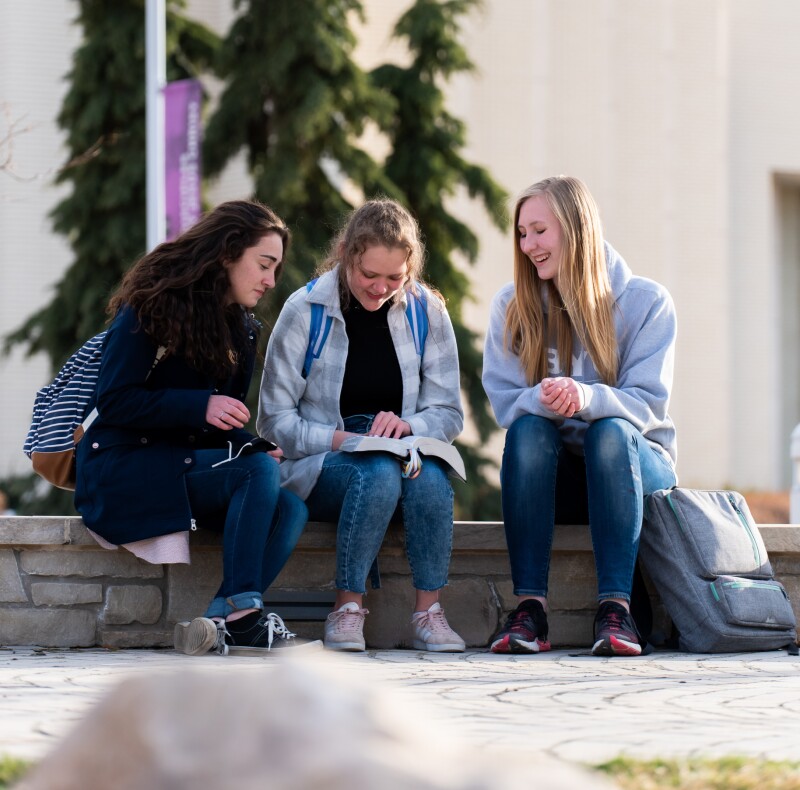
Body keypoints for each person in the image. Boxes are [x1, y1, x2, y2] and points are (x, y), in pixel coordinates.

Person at [74, 200, 318, 655]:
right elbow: (114, 401)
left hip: (181, 465)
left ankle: (215, 621)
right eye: (264, 265)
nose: (270, 280)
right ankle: (245, 615)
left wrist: (252, 443)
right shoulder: (152, 305)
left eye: (275, 270)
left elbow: (216, 425)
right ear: (228, 253)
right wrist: (199, 407)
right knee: (254, 473)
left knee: (290, 508)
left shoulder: (242, 328)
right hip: (126, 468)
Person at [258, 198, 466, 652]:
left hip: (403, 451)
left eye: (395, 278)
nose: (380, 288)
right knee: (373, 471)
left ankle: (428, 612)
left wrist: (409, 425)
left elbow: (449, 413)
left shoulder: (426, 311)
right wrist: (342, 439)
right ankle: (346, 608)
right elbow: (274, 422)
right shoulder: (305, 310)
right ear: (347, 254)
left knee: (431, 480)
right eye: (369, 275)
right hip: (324, 461)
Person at [482, 175, 678, 657]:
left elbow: (647, 406)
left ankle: (618, 610)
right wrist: (544, 400)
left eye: (539, 231)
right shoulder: (513, 306)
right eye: (522, 233)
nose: (528, 245)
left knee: (609, 432)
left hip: (634, 468)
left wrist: (587, 398)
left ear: (575, 227)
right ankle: (530, 609)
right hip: (562, 479)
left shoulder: (646, 302)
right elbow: (507, 402)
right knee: (527, 429)